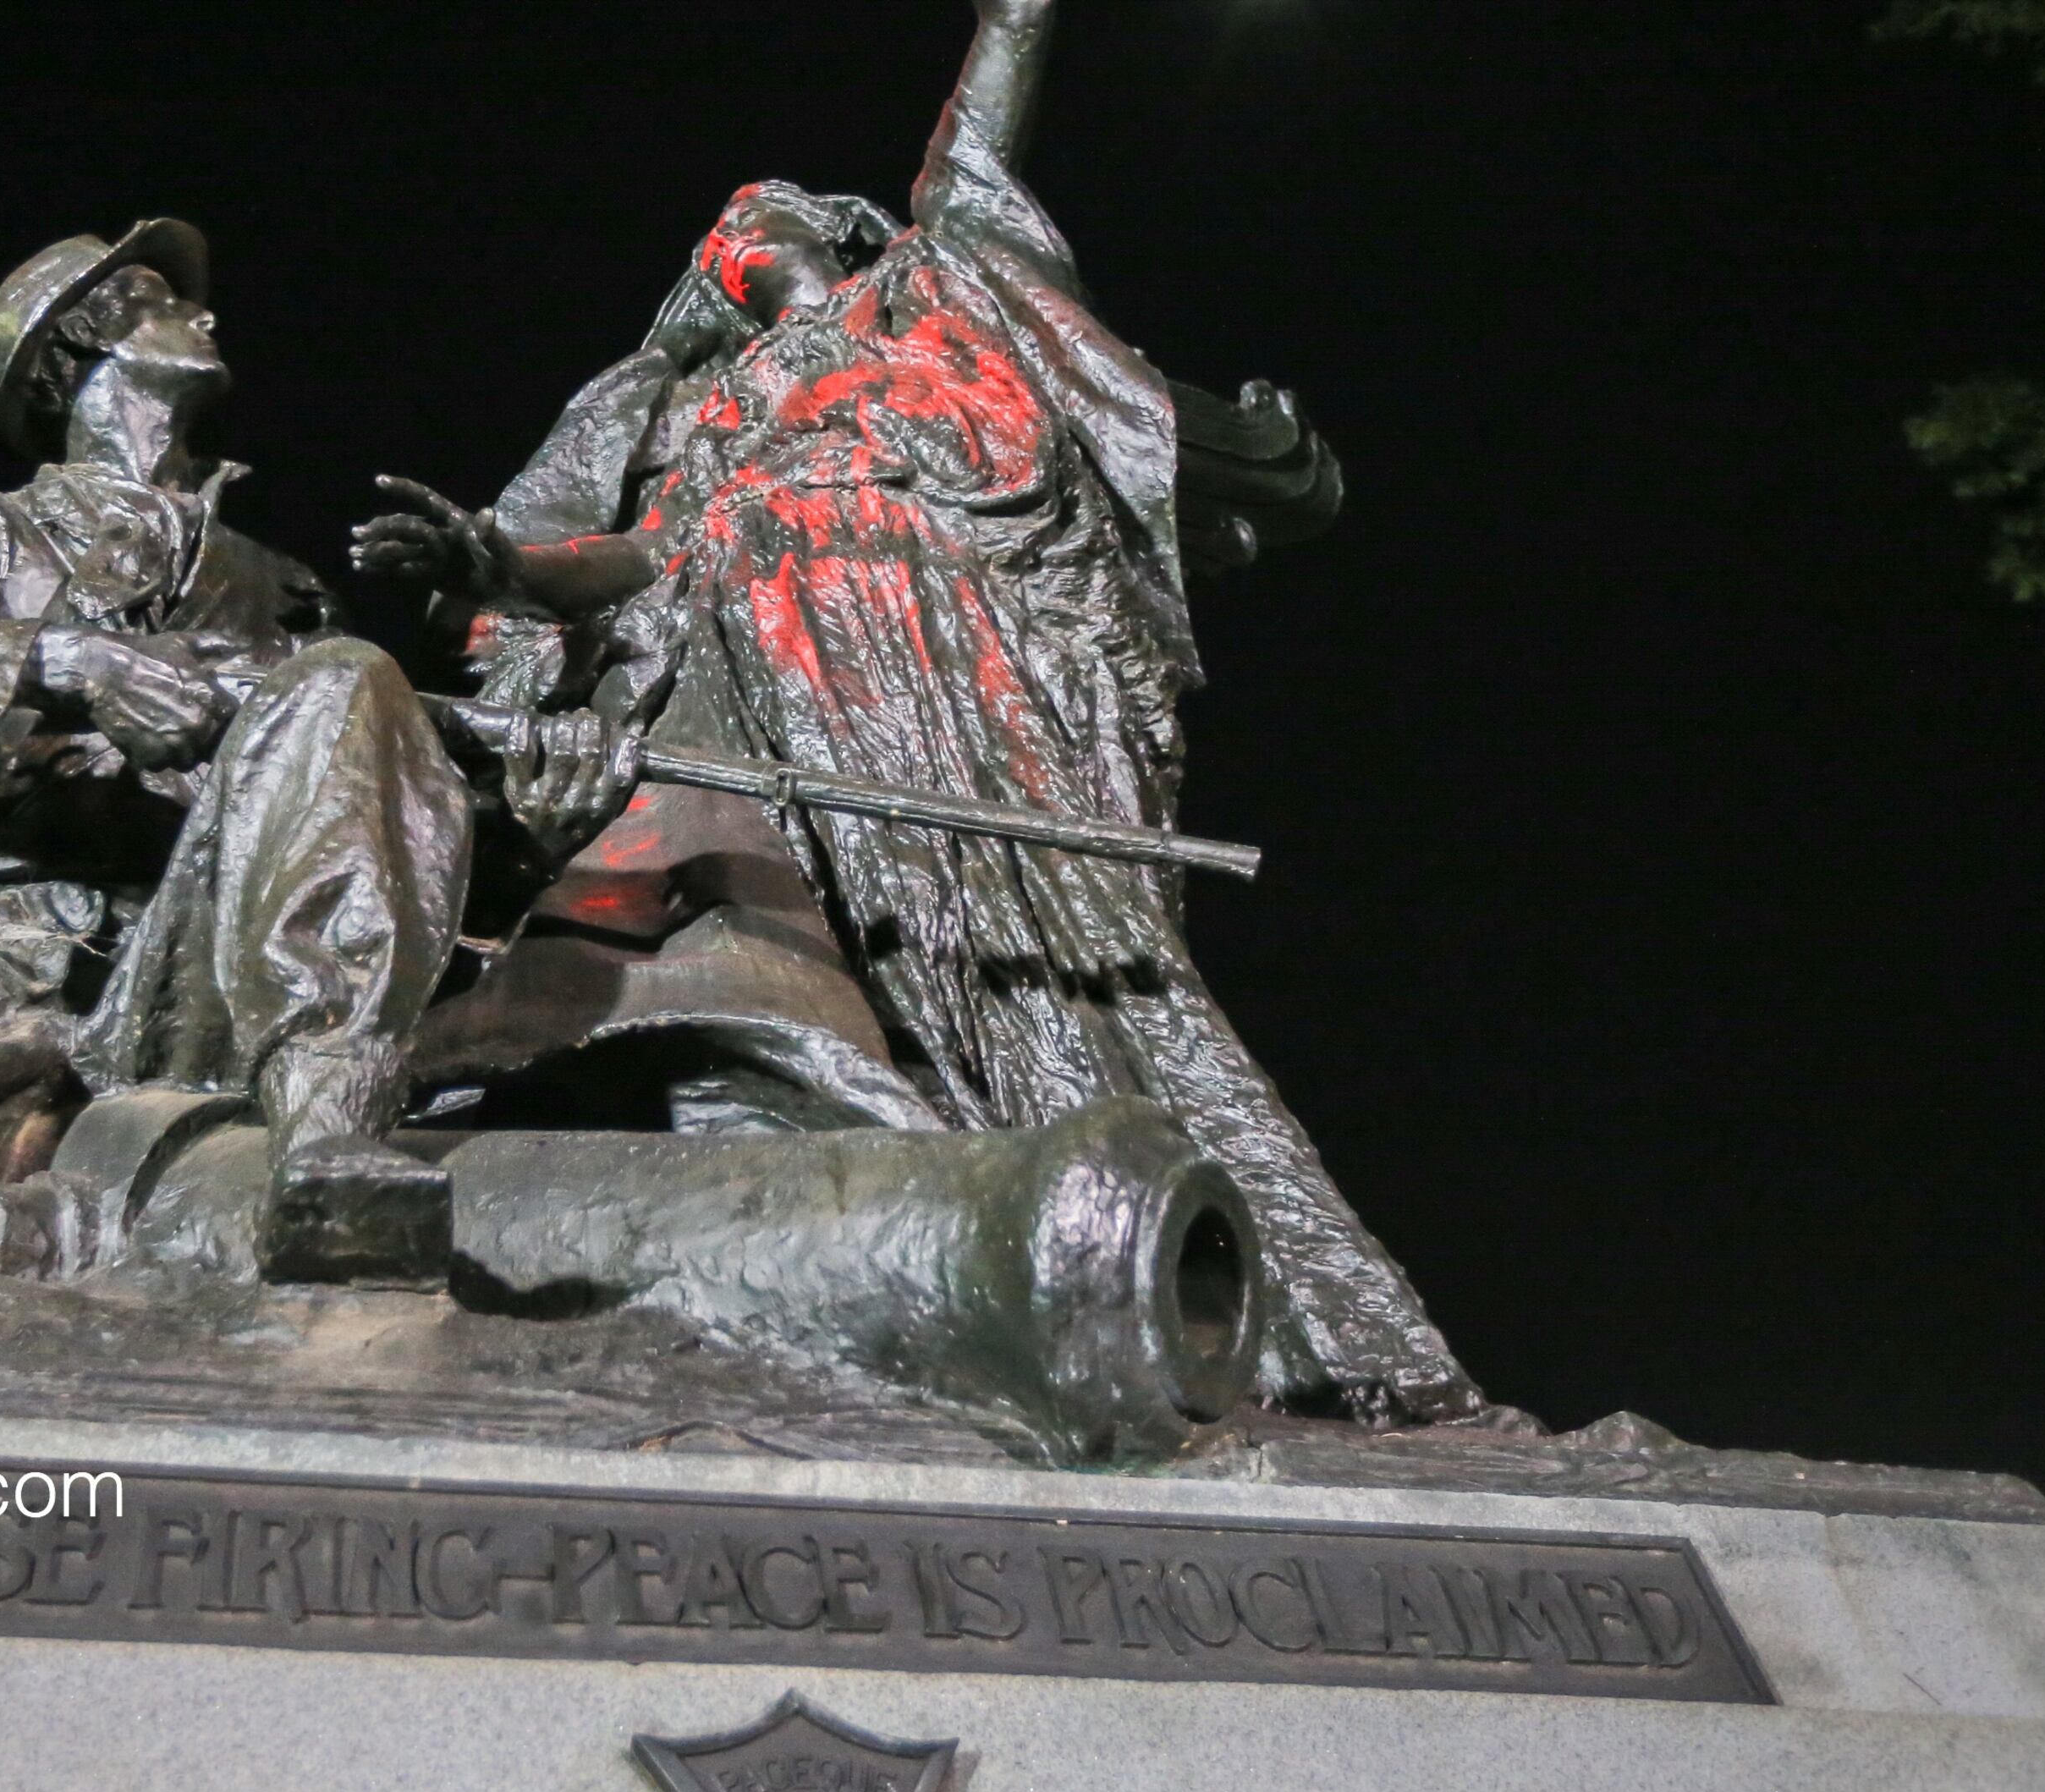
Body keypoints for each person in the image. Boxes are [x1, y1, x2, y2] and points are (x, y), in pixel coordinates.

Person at [356, 0, 1478, 1423]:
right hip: (766, 670)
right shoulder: (715, 415)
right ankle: (461, 1106)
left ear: (835, 227)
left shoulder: (938, 288)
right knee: (683, 881)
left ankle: (1307, 1338)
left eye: (759, 211)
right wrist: (499, 561)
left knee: (1052, 971)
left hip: (955, 667)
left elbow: (976, 128)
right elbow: (652, 556)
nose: (733, 234)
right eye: (716, 234)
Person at [0, 220, 632, 1274]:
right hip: (7, 933)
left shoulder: (290, 594)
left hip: (214, 961)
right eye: (164, 301)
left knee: (346, 678)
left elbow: (361, 856)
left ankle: (328, 1125)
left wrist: (523, 837)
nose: (202, 315)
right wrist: (71, 664)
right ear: (80, 343)